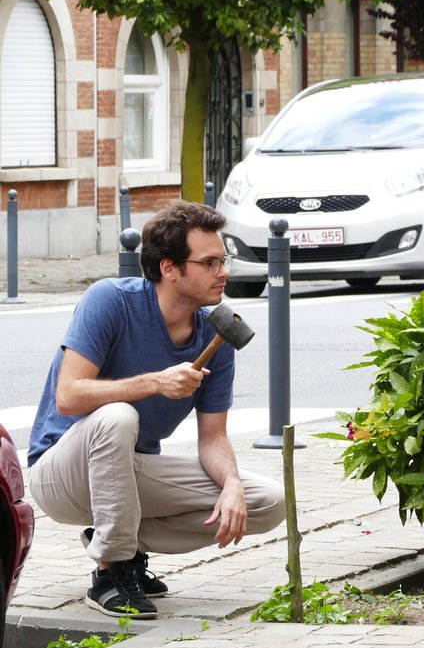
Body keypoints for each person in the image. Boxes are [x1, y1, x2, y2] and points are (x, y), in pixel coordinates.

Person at [27, 201, 285, 619]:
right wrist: (155, 382)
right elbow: (68, 396)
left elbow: (213, 438)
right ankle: (111, 571)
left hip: (128, 471)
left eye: (225, 259)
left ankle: (124, 542)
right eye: (211, 262)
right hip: (62, 473)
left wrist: (232, 485)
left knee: (267, 501)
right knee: (118, 416)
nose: (224, 272)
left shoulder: (214, 337)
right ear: (170, 269)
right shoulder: (110, 300)